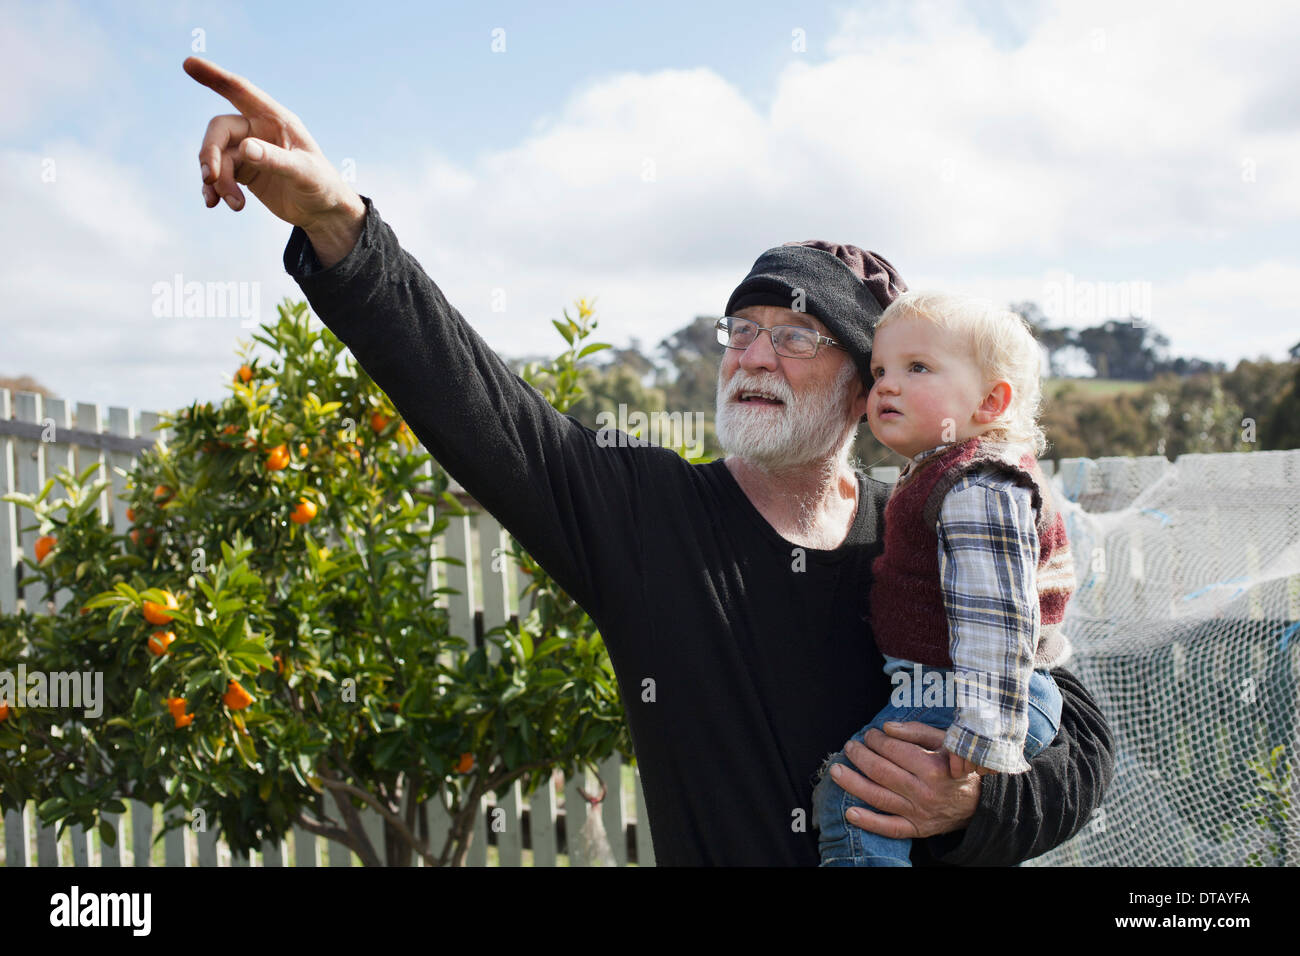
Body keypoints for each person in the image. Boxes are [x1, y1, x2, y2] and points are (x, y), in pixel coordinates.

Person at [184, 56, 1114, 865]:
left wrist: (973, 805)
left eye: (796, 336)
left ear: (865, 386)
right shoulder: (645, 518)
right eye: (740, 330)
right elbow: (472, 401)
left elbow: (1083, 743)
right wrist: (338, 222)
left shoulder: (935, 515)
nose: (753, 356)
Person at [812, 291, 1076, 866]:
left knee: (852, 797)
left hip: (978, 696)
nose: (887, 385)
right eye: (880, 370)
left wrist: (985, 733)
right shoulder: (946, 474)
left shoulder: (977, 486)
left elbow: (997, 618)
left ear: (990, 401)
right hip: (957, 690)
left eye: (917, 368)